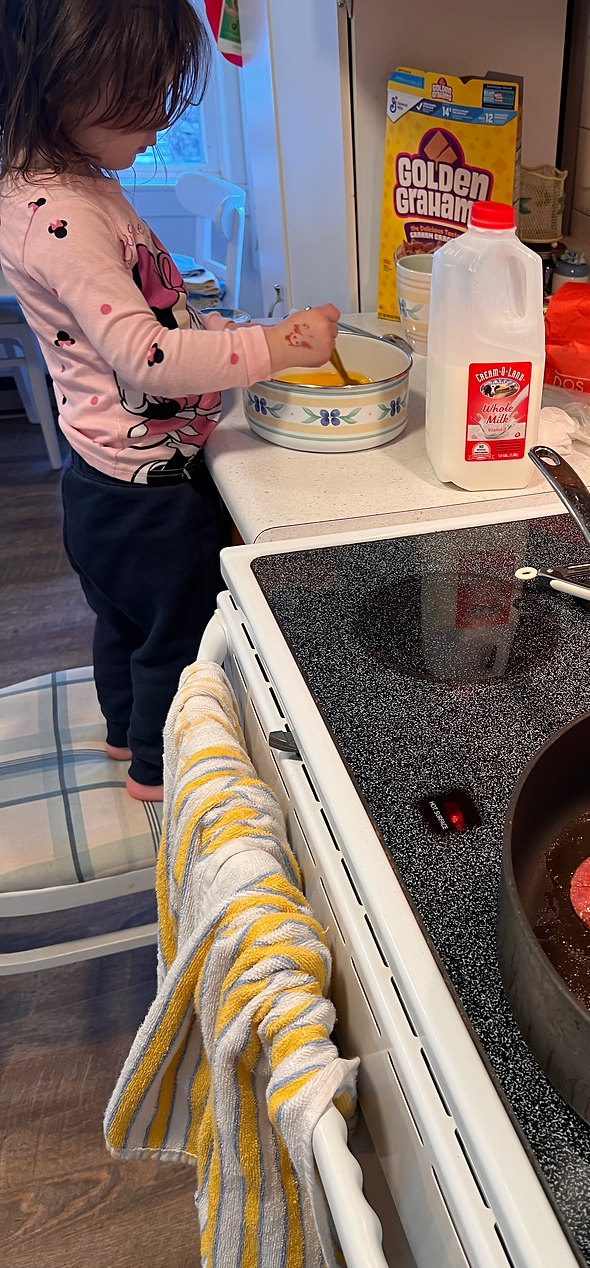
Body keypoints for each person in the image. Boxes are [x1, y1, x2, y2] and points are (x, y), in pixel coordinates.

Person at [0, 0, 340, 802]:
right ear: (66, 80)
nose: (160, 114)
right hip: (148, 491)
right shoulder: (62, 217)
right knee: (176, 638)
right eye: (144, 91)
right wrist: (277, 346)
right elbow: (145, 356)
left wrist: (220, 328)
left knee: (123, 622)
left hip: (100, 483)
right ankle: (160, 781)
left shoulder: (61, 185)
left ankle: (123, 735)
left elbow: (149, 315)